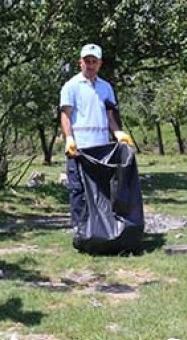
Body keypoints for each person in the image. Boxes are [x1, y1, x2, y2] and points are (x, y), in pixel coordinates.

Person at [59, 43, 135, 225]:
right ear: (80, 63)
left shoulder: (106, 88)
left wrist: (118, 133)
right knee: (78, 190)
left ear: (100, 64)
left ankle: (101, 229)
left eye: (94, 61)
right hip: (79, 148)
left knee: (102, 190)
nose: (90, 65)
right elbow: (65, 115)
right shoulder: (71, 86)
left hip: (102, 150)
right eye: (87, 61)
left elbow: (109, 116)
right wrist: (69, 139)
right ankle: (80, 228)